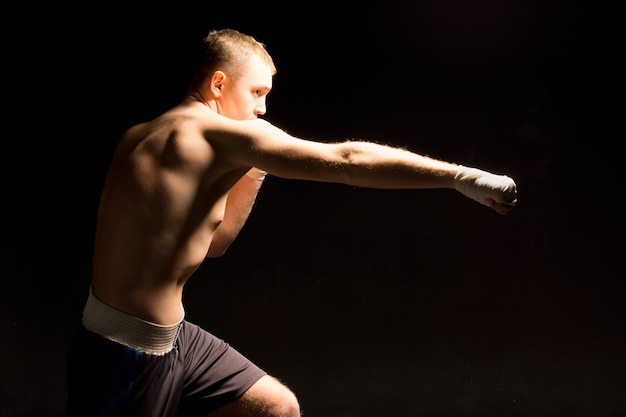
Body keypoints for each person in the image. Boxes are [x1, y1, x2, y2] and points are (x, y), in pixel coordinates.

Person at [65, 28, 517, 417]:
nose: (262, 110)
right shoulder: (208, 134)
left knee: (276, 407)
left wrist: (256, 165)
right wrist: (461, 177)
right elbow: (347, 159)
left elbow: (213, 244)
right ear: (218, 83)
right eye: (257, 93)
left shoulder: (147, 134)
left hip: (173, 336)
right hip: (125, 351)